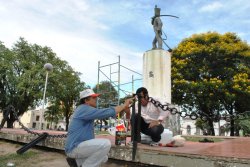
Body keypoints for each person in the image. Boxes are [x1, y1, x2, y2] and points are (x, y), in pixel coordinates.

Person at [65, 88, 132, 167]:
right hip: (74, 147)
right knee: (105, 144)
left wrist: (125, 109)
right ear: (86, 100)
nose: (96, 99)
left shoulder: (85, 110)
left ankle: (77, 162)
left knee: (103, 157)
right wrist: (124, 105)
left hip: (78, 146)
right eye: (93, 98)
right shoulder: (84, 109)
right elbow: (106, 112)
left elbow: (113, 114)